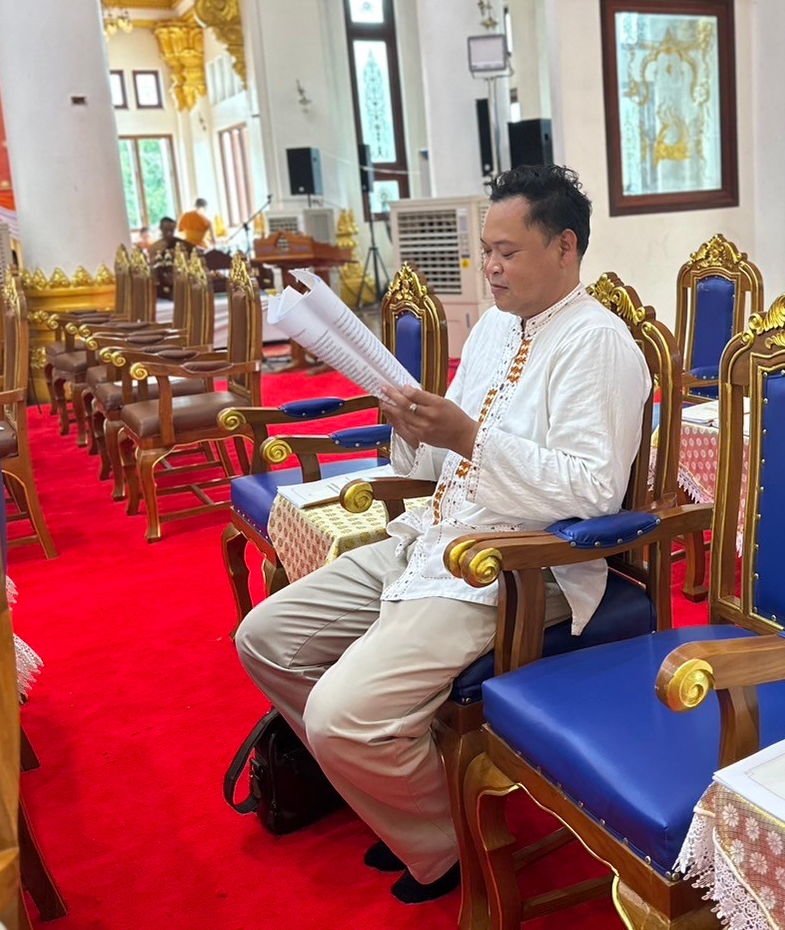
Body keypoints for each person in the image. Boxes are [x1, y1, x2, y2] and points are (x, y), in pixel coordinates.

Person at [235, 165, 651, 904]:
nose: (490, 267)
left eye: (508, 251)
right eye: (485, 250)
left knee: (340, 716)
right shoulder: (493, 327)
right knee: (265, 636)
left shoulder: (600, 343)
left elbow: (590, 491)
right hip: (434, 532)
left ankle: (448, 848)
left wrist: (468, 437)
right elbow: (441, 457)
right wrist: (416, 427)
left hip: (517, 563)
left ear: (564, 246)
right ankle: (402, 788)